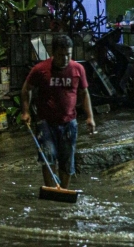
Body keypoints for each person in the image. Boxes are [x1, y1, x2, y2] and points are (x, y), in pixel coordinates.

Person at [21, 34, 95, 189]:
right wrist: (26, 111)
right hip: (45, 122)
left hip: (69, 122)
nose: (66, 59)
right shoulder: (41, 69)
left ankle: (63, 191)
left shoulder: (78, 69)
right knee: (48, 158)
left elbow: (84, 93)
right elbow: (26, 88)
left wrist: (90, 117)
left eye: (68, 54)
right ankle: (51, 191)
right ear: (53, 53)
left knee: (67, 160)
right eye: (61, 55)